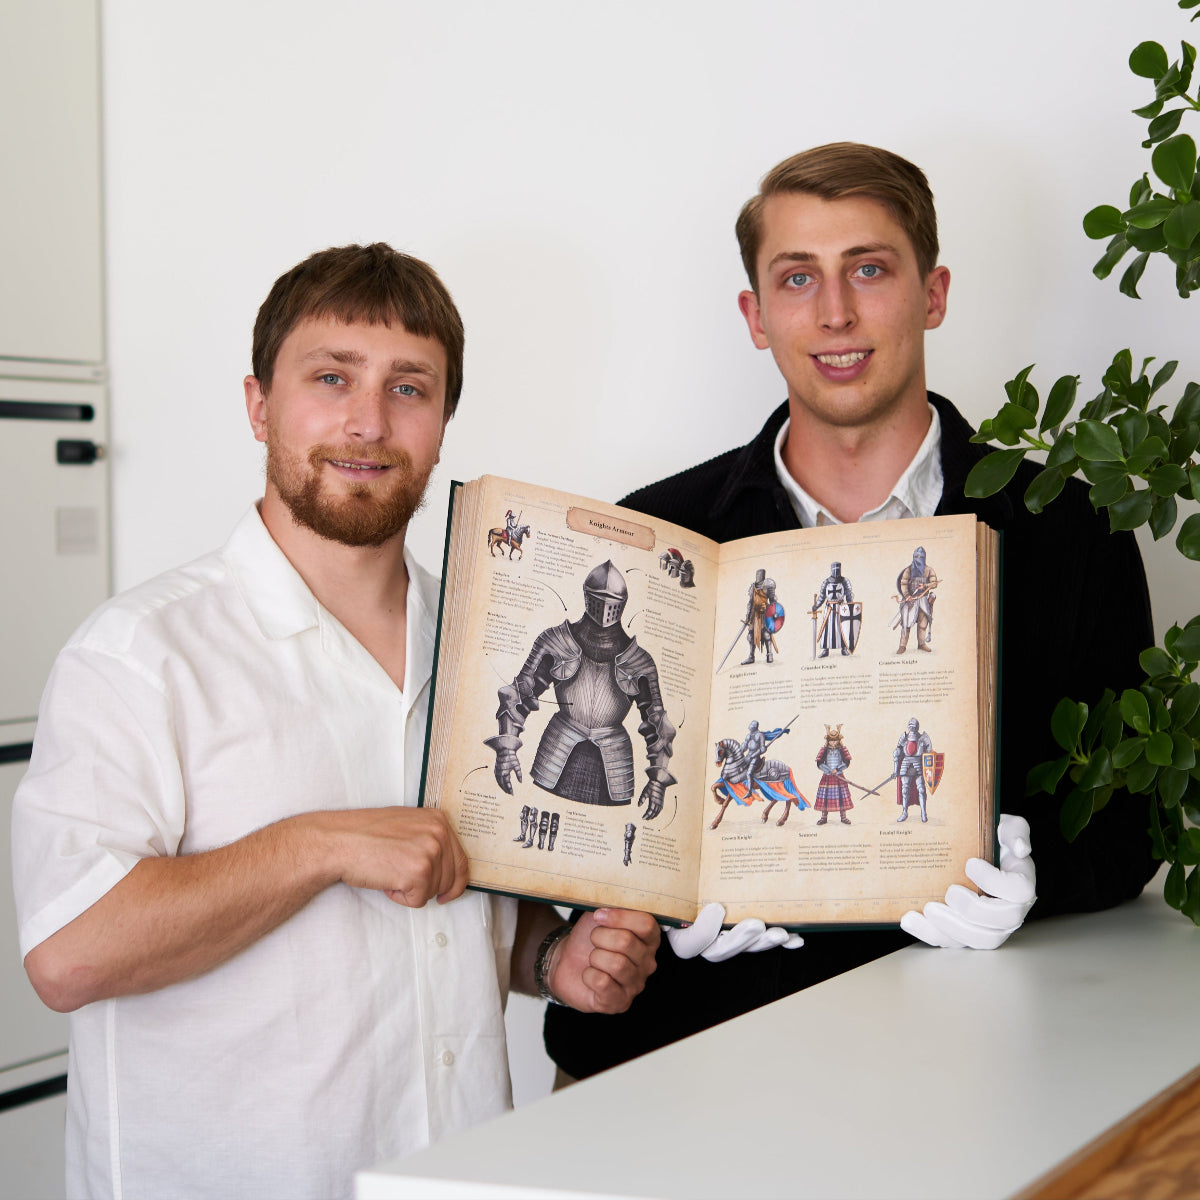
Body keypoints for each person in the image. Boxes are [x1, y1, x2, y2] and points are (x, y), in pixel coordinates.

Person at [12, 243, 660, 1200]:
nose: (368, 422)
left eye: (409, 387)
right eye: (330, 378)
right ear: (258, 405)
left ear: (442, 425)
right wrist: (318, 846)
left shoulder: (480, 643)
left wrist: (555, 958)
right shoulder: (140, 654)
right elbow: (69, 955)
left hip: (454, 1172)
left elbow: (454, 906)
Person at [543, 142, 1157, 1081]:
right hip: (695, 1061)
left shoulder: (1070, 528)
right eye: (798, 279)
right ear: (754, 315)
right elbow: (594, 829)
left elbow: (1132, 830)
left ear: (934, 293)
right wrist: (653, 902)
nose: (836, 313)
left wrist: (1031, 882)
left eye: (869, 269)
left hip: (981, 1060)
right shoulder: (658, 534)